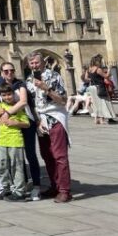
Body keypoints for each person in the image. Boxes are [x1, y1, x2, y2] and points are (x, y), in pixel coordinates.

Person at [25, 51, 72, 203]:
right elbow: (30, 104)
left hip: (55, 118)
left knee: (59, 156)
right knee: (47, 155)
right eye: (31, 63)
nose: (34, 65)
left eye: (36, 63)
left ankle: (65, 190)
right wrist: (37, 121)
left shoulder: (54, 76)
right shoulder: (28, 80)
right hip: (40, 122)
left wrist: (47, 89)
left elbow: (63, 100)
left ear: (43, 62)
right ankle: (55, 186)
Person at [0, 83, 30, 201]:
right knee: (2, 165)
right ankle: (6, 188)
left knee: (17, 166)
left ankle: (20, 191)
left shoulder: (18, 107)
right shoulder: (0, 106)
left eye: (9, 94)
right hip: (2, 141)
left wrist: (16, 123)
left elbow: (27, 123)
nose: (7, 97)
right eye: (4, 95)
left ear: (13, 94)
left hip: (15, 141)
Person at [86, 58, 116, 124]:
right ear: (97, 62)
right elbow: (106, 76)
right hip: (99, 87)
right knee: (103, 103)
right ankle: (102, 120)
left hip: (92, 88)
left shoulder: (89, 69)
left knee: (96, 104)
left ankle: (96, 119)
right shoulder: (98, 69)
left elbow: (86, 78)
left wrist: (92, 79)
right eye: (100, 61)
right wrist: (109, 69)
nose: (101, 63)